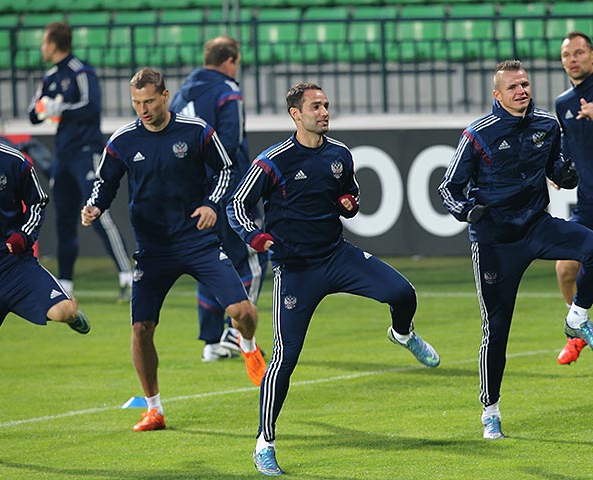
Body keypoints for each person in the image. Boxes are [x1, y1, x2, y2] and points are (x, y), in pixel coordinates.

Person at [227, 82, 440, 476]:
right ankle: (264, 444)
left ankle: (403, 334)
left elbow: (350, 197)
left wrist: (350, 203)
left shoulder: (339, 154)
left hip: (336, 255)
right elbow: (236, 204)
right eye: (316, 106)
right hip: (296, 269)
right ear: (295, 114)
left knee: (403, 292)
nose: (324, 112)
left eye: (326, 105)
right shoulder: (272, 161)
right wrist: (254, 236)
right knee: (285, 358)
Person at [81, 68, 266, 432]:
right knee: (141, 328)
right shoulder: (122, 140)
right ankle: (154, 410)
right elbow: (105, 182)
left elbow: (225, 170)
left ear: (165, 96)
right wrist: (94, 206)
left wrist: (212, 204)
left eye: (149, 101)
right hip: (153, 249)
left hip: (197, 241)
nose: (143, 109)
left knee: (242, 310)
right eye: (136, 103)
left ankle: (247, 343)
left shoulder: (196, 131)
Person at [438, 60, 593, 441]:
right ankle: (490, 411)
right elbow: (448, 188)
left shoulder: (546, 125)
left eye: (525, 84)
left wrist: (566, 174)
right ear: (497, 95)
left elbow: (558, 169)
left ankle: (577, 315)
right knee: (497, 330)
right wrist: (466, 211)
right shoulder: (478, 134)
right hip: (495, 241)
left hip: (537, 226)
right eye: (513, 87)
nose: (522, 91)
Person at [0, 87, 90, 467]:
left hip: (12, 267)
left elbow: (39, 203)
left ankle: (74, 313)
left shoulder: (13, 161)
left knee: (63, 312)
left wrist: (24, 237)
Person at [170, 36, 268, 362]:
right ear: (230, 61)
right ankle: (236, 332)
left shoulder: (182, 92)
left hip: (194, 193)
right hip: (228, 188)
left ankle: (212, 342)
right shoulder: (228, 91)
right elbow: (230, 142)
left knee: (210, 260)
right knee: (252, 257)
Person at [28, 21, 132, 301]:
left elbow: (91, 105)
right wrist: (43, 109)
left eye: (44, 42)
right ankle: (65, 284)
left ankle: (127, 275)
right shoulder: (50, 77)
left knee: (97, 213)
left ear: (53, 43)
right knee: (63, 219)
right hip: (62, 155)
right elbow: (32, 113)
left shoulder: (81, 71)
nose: (42, 47)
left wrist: (61, 108)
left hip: (86, 151)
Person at [554, 32, 593, 365]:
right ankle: (577, 330)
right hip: (587, 203)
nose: (573, 59)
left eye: (579, 52)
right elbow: (566, 145)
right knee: (565, 267)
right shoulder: (563, 103)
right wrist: (558, 171)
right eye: (567, 54)